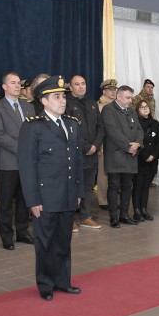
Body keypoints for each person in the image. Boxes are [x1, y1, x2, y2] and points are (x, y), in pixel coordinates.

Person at [18, 76, 83, 301]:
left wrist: (77, 193)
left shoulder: (72, 124)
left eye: (63, 96)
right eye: (56, 97)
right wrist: (32, 199)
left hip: (66, 194)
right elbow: (27, 166)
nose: (62, 101)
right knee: (44, 242)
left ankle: (63, 281)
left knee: (63, 241)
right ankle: (45, 284)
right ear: (44, 101)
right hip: (45, 196)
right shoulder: (33, 126)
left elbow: (76, 162)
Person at [0, 71, 35, 250]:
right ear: (4, 87)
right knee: (6, 201)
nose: (17, 86)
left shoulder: (28, 107)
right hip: (9, 162)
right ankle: (7, 236)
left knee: (25, 200)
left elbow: (34, 132)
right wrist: (23, 150)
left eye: (18, 83)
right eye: (13, 82)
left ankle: (23, 232)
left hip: (27, 163)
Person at [101, 85, 143, 227]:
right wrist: (128, 146)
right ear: (118, 96)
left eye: (131, 97)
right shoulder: (108, 110)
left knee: (127, 185)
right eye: (127, 98)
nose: (130, 101)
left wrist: (137, 143)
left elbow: (139, 129)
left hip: (131, 155)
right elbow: (112, 132)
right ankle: (114, 217)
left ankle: (124, 215)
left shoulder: (131, 111)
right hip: (116, 155)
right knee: (113, 185)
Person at [66, 75, 103, 231]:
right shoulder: (66, 103)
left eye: (83, 83)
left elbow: (101, 127)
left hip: (92, 153)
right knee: (72, 187)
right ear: (70, 87)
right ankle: (70, 219)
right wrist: (86, 146)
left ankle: (85, 216)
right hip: (76, 153)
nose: (81, 87)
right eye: (77, 84)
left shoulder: (92, 103)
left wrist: (95, 145)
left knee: (88, 186)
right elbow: (68, 129)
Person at [132, 99, 159, 221]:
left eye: (146, 107)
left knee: (146, 186)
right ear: (137, 110)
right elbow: (136, 141)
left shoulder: (155, 123)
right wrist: (145, 155)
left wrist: (153, 155)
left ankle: (144, 209)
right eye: (142, 107)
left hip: (152, 160)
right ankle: (136, 211)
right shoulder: (135, 123)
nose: (145, 109)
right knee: (138, 186)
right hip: (139, 159)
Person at [96, 78, 117, 211]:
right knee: (103, 174)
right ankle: (103, 200)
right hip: (104, 144)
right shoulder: (99, 105)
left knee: (113, 173)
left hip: (116, 144)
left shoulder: (116, 105)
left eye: (115, 89)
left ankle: (112, 199)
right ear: (104, 91)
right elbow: (98, 128)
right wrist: (99, 146)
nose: (113, 92)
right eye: (110, 90)